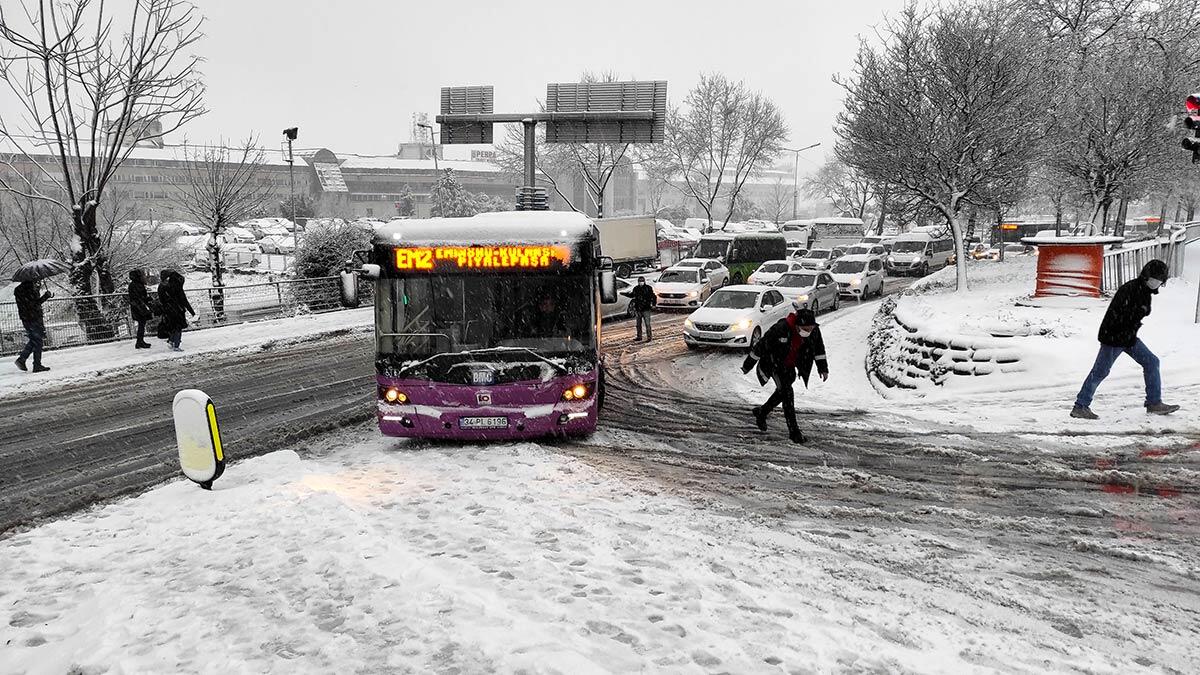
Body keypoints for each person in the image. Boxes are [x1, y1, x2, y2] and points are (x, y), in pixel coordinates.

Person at [1071, 259, 1179, 419]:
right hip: (1114, 337)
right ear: (1147, 276)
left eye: (1159, 280)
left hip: (1128, 338)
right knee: (1100, 371)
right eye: (1154, 278)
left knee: (1152, 362)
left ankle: (1154, 403)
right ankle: (1080, 406)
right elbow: (1120, 315)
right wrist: (1134, 317)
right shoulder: (1131, 289)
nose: (1156, 282)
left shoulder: (1144, 291)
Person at [742, 306, 828, 443]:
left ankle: (762, 412)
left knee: (782, 392)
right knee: (787, 393)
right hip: (774, 364)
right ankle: (794, 432)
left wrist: (823, 368)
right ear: (797, 325)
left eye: (811, 329)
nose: (809, 332)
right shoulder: (781, 328)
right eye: (806, 329)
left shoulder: (814, 331)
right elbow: (761, 345)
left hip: (790, 366)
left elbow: (819, 349)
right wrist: (748, 365)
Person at [13, 279, 52, 373]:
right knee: (38, 341)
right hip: (34, 317)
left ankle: (22, 360)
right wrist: (45, 296)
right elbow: (34, 304)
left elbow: (29, 304)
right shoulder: (30, 289)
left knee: (34, 340)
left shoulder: (18, 289)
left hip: (25, 318)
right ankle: (36, 365)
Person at [157, 269, 195, 352]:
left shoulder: (162, 286)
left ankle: (171, 341)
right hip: (178, 309)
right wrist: (191, 311)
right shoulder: (176, 287)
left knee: (173, 326)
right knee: (178, 327)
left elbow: (161, 299)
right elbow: (183, 299)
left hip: (168, 309)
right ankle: (176, 344)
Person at [624, 276, 657, 342]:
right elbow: (632, 295)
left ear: (644, 281)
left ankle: (649, 337)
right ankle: (639, 336)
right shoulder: (636, 288)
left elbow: (653, 296)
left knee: (647, 324)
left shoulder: (648, 288)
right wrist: (625, 294)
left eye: (642, 281)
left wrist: (653, 304)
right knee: (638, 324)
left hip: (646, 309)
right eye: (639, 281)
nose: (641, 282)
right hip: (638, 309)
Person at [127, 269, 153, 349]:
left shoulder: (134, 285)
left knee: (141, 324)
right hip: (139, 307)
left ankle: (140, 341)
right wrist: (146, 299)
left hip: (138, 307)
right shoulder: (137, 285)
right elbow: (138, 297)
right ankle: (140, 341)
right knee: (141, 324)